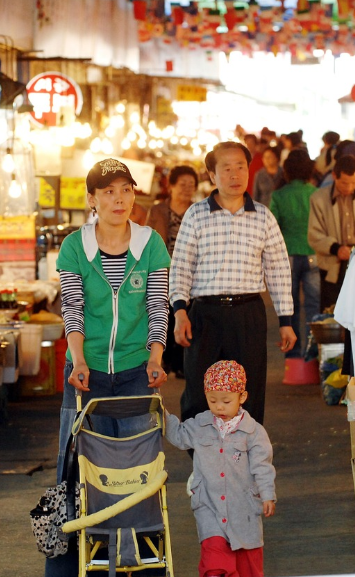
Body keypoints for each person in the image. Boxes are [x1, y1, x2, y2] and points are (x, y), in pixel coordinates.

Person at [47, 158, 170, 575]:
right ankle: (84, 559)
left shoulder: (151, 244)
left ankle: (140, 558)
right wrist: (79, 359)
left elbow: (157, 306)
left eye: (126, 190)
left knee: (138, 470)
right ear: (93, 199)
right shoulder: (73, 247)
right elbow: (73, 310)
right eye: (109, 191)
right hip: (87, 375)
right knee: (79, 471)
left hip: (137, 371)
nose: (120, 199)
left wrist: (156, 357)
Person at [170, 141, 296, 426]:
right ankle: (202, 460)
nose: (235, 174)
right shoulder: (196, 215)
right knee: (199, 392)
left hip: (247, 314)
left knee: (247, 392)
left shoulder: (263, 216)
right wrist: (179, 311)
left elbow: (278, 268)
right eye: (226, 168)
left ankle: (244, 459)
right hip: (204, 314)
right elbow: (181, 266)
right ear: (212, 176)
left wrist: (285, 319)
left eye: (241, 167)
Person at [164, 360, 276, 577]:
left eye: (226, 401)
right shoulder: (200, 425)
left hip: (243, 509)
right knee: (214, 561)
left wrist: (268, 495)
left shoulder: (254, 432)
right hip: (209, 504)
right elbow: (179, 435)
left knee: (248, 566)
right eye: (212, 400)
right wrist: (159, 410)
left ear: (242, 397)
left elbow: (262, 466)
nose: (219, 407)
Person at [308, 155, 355, 311]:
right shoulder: (318, 199)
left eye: (354, 183)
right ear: (334, 176)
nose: (349, 188)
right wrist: (337, 249)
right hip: (332, 267)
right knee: (333, 314)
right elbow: (314, 234)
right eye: (344, 183)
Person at [147, 165, 199, 375]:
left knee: (187, 313)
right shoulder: (158, 210)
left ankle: (182, 363)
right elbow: (149, 239)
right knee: (163, 314)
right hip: (162, 270)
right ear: (171, 186)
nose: (187, 189)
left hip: (191, 273)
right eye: (182, 184)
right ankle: (165, 360)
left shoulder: (198, 211)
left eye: (191, 185)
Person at [269, 149, 319, 359]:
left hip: (286, 255)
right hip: (313, 254)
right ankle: (312, 352)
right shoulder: (315, 193)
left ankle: (293, 352)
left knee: (290, 307)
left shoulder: (279, 195)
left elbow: (272, 228)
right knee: (313, 307)